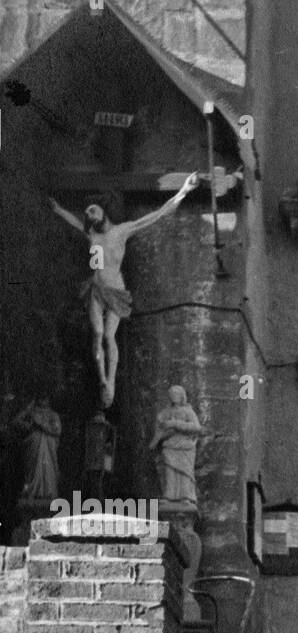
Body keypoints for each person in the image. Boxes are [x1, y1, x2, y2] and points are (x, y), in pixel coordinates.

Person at [48, 174, 200, 408]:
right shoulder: (92, 236)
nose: (89, 215)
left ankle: (111, 381)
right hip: (96, 290)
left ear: (103, 211)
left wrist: (183, 190)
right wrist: (58, 209)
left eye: (92, 210)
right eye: (87, 213)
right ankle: (103, 383)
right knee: (98, 335)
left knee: (110, 337)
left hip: (116, 291)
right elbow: (74, 222)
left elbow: (157, 214)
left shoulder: (121, 231)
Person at [149, 385, 203, 506]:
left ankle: (186, 496)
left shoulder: (188, 411)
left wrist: (176, 424)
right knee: (169, 471)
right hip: (169, 446)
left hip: (185, 446)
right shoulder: (165, 412)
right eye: (172, 394)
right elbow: (159, 430)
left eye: (176, 394)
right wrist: (161, 432)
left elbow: (196, 427)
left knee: (185, 471)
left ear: (182, 396)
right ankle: (168, 495)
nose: (174, 397)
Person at [12, 397, 61, 499]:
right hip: (33, 444)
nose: (44, 399)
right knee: (32, 469)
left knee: (48, 468)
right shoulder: (31, 412)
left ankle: (48, 491)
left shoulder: (53, 414)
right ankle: (31, 490)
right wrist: (29, 421)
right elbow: (16, 422)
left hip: (48, 448)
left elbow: (57, 430)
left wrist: (42, 425)